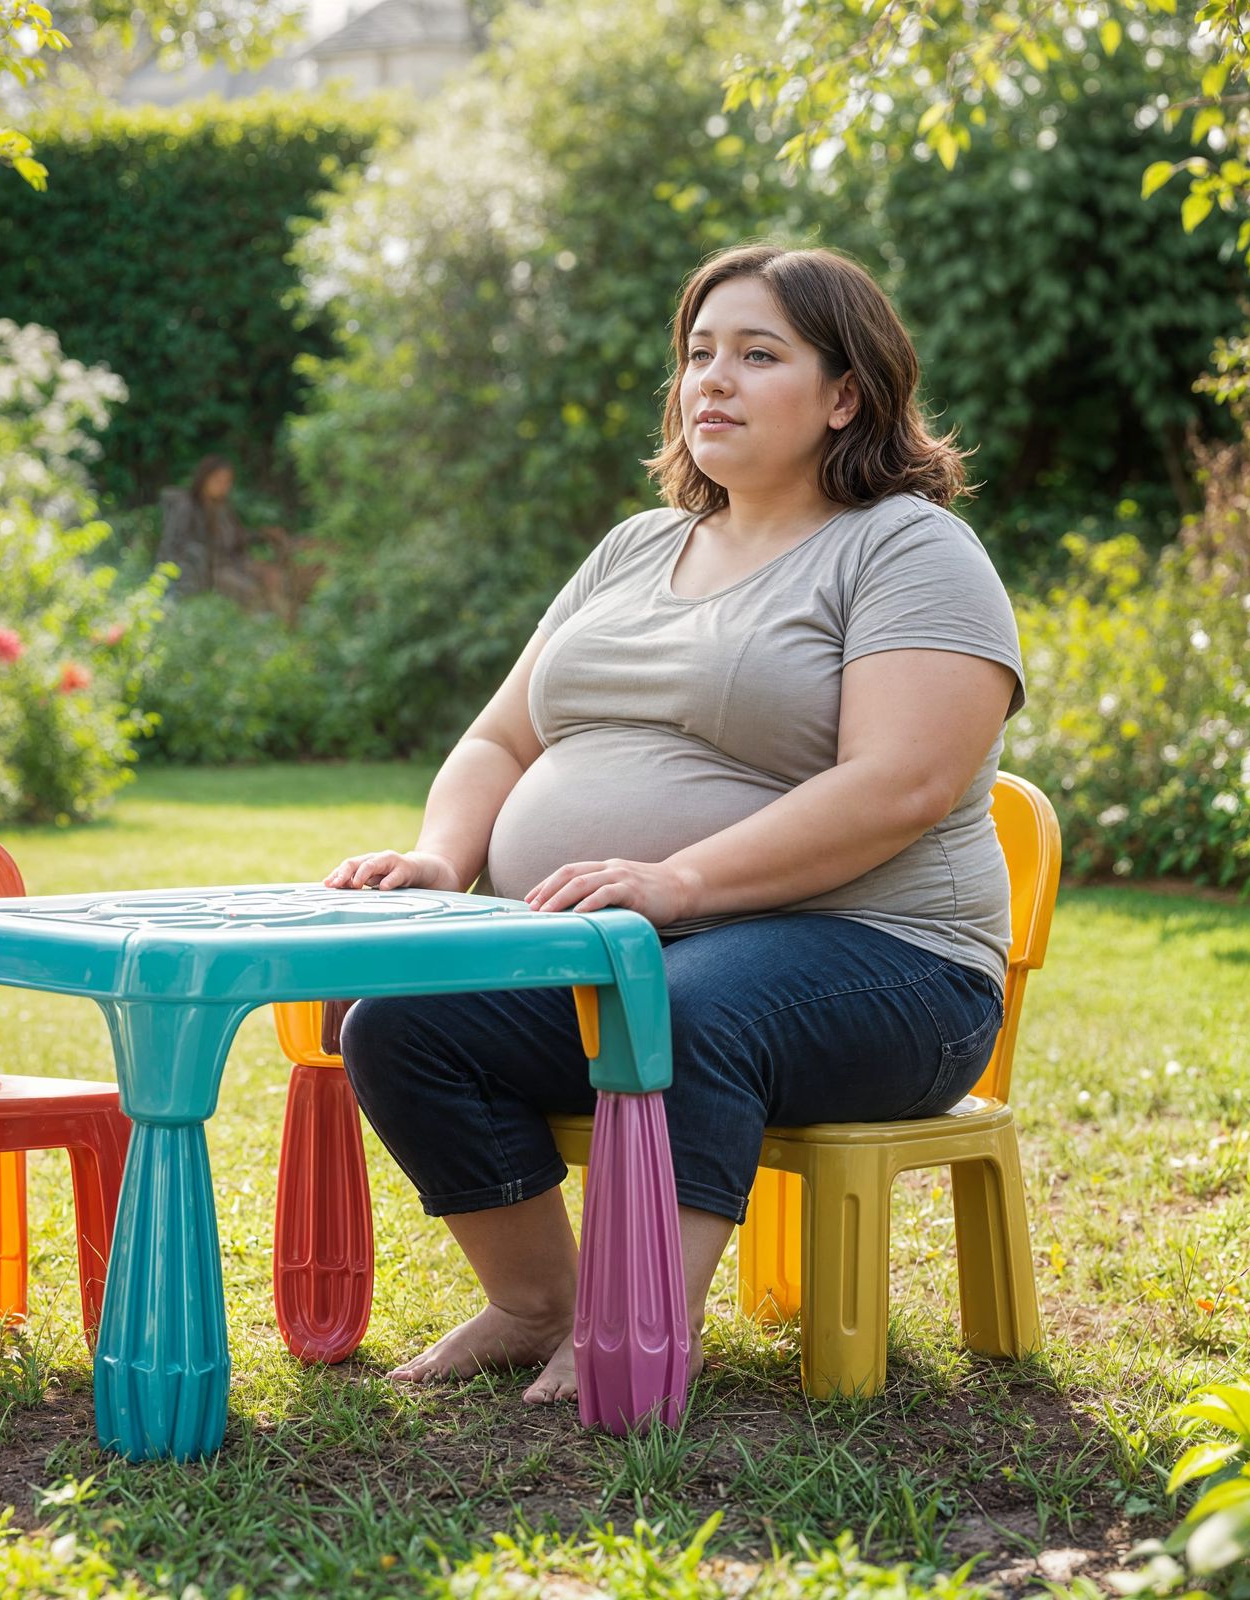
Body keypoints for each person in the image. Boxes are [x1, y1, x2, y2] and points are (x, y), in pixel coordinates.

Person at [325, 242, 1025, 1408]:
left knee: (686, 1003)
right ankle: (535, 1299)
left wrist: (682, 882)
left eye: (758, 355)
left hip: (888, 966)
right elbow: (501, 739)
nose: (713, 380)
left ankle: (640, 1323)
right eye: (699, 354)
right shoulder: (636, 549)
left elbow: (901, 784)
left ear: (845, 393)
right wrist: (445, 855)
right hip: (620, 949)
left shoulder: (908, 548)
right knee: (399, 1022)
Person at [157, 455, 257, 603]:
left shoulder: (223, 508)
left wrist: (262, 536)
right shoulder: (187, 506)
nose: (223, 486)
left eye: (227, 481)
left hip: (228, 565)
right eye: (217, 480)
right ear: (204, 479)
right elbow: (172, 547)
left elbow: (236, 540)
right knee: (249, 591)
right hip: (198, 574)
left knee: (269, 577)